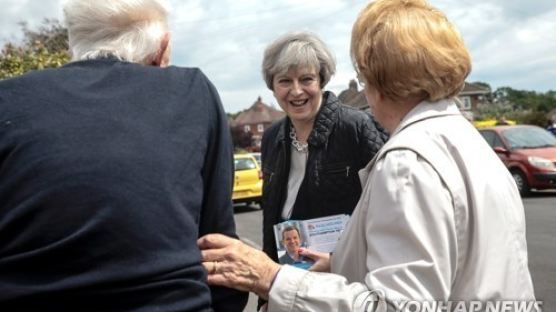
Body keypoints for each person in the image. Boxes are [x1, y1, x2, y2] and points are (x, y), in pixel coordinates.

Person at [198, 0, 536, 310]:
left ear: (376, 77)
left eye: (362, 74)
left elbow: (397, 304)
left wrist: (271, 278)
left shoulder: (408, 163)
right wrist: (340, 262)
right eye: (284, 80)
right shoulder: (470, 142)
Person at [0, 0, 247, 311]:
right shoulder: (191, 91)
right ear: (162, 51)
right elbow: (217, 247)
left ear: (73, 42)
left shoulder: (7, 100)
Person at [259, 30, 387, 270]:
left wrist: (339, 263)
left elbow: (388, 213)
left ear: (321, 80)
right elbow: (270, 219)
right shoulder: (271, 138)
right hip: (290, 276)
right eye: (285, 81)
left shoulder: (356, 127)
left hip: (345, 281)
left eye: (306, 79)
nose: (296, 91)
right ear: (273, 86)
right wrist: (267, 291)